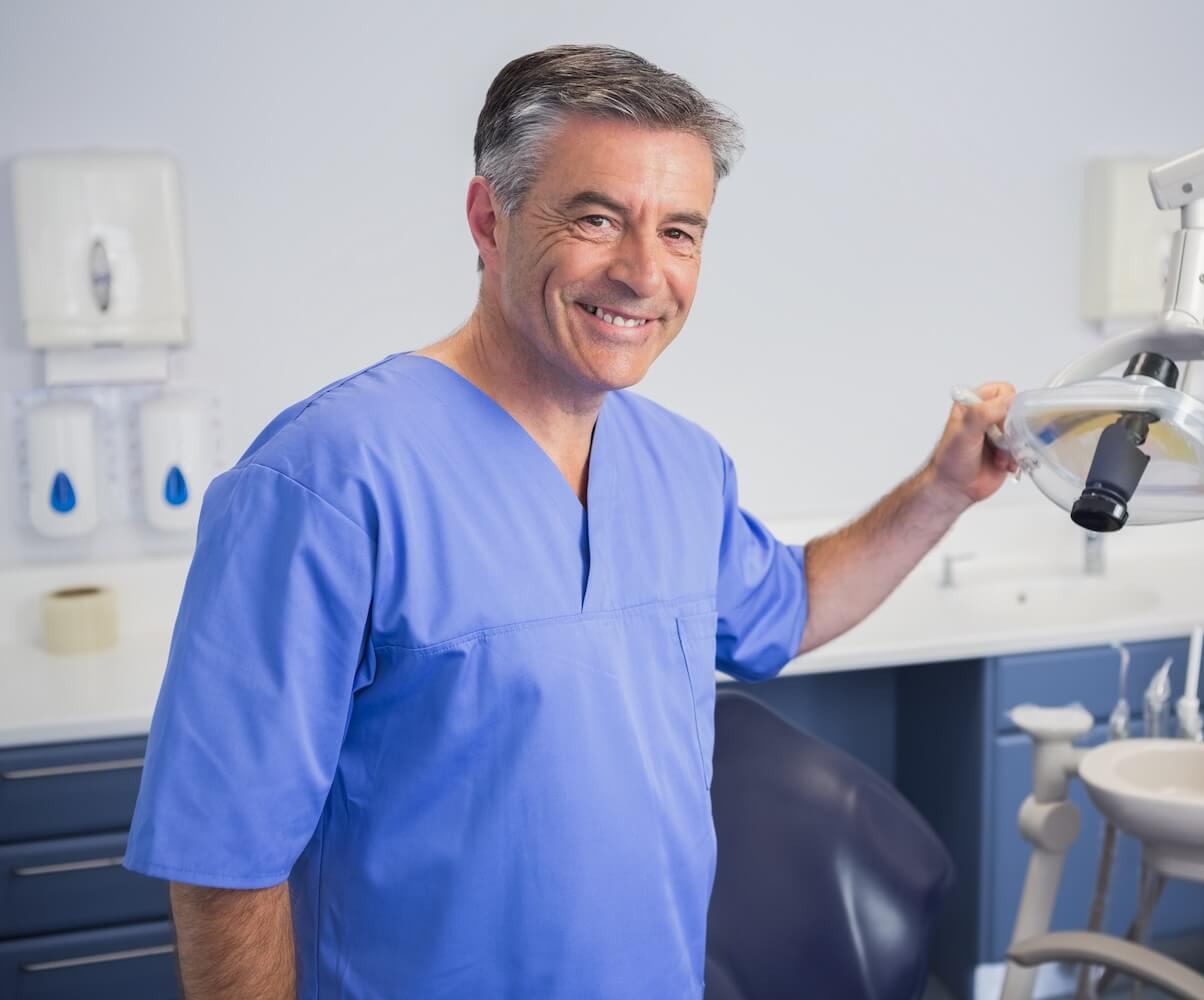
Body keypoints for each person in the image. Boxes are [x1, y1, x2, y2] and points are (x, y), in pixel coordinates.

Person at [125, 44, 1017, 999]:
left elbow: (787, 606)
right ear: (489, 219)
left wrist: (942, 488)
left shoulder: (679, 465)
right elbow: (225, 863)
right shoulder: (324, 482)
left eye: (681, 232)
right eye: (598, 218)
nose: (642, 272)